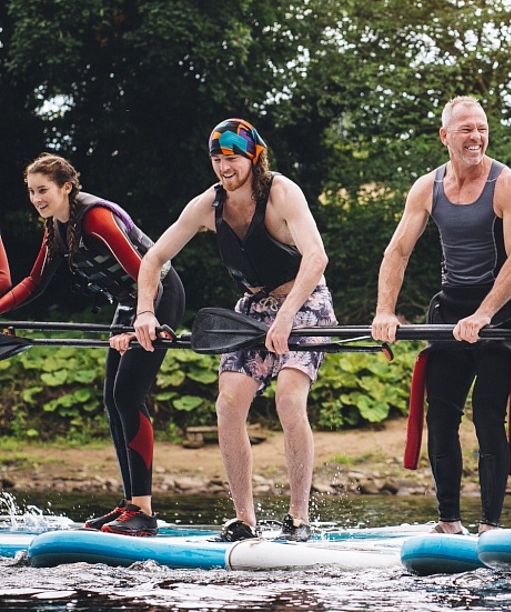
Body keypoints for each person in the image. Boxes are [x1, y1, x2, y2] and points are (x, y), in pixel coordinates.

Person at [130, 119, 331, 542]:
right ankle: (245, 520)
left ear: (254, 157)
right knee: (228, 405)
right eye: (217, 159)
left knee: (288, 400)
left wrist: (286, 316)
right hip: (252, 309)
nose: (224, 167)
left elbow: (316, 258)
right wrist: (145, 312)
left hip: (304, 300)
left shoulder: (281, 192)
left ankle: (298, 518)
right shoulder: (207, 205)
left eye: (233, 158)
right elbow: (153, 258)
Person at [371, 96, 511, 535]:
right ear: (445, 136)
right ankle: (448, 523)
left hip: (503, 315)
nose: (476, 137)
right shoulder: (427, 187)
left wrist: (483, 315)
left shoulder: (509, 185)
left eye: (482, 128)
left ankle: (490, 526)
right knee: (440, 416)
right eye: (466, 129)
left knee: (487, 417)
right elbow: (398, 251)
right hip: (450, 311)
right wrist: (385, 311)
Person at [0, 153, 186, 536]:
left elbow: (146, 275)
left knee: (128, 395)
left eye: (43, 190)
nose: (36, 199)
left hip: (158, 297)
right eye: (31, 192)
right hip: (129, 303)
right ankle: (129, 504)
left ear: (66, 187)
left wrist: (141, 324)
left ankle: (144, 512)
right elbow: (33, 283)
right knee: (112, 400)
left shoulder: (96, 219)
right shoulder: (56, 228)